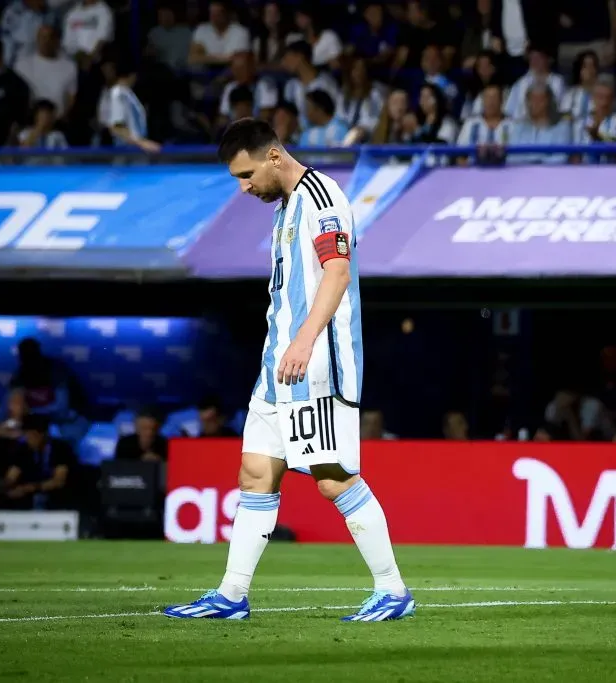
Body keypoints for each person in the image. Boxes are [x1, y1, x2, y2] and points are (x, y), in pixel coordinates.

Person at [164, 119, 413, 623]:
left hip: (316, 361)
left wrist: (304, 340)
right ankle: (232, 596)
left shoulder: (322, 199)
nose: (244, 186)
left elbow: (337, 274)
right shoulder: (285, 208)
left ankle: (393, 591)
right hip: (277, 364)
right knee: (256, 474)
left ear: (273, 156)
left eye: (247, 173)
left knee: (333, 479)